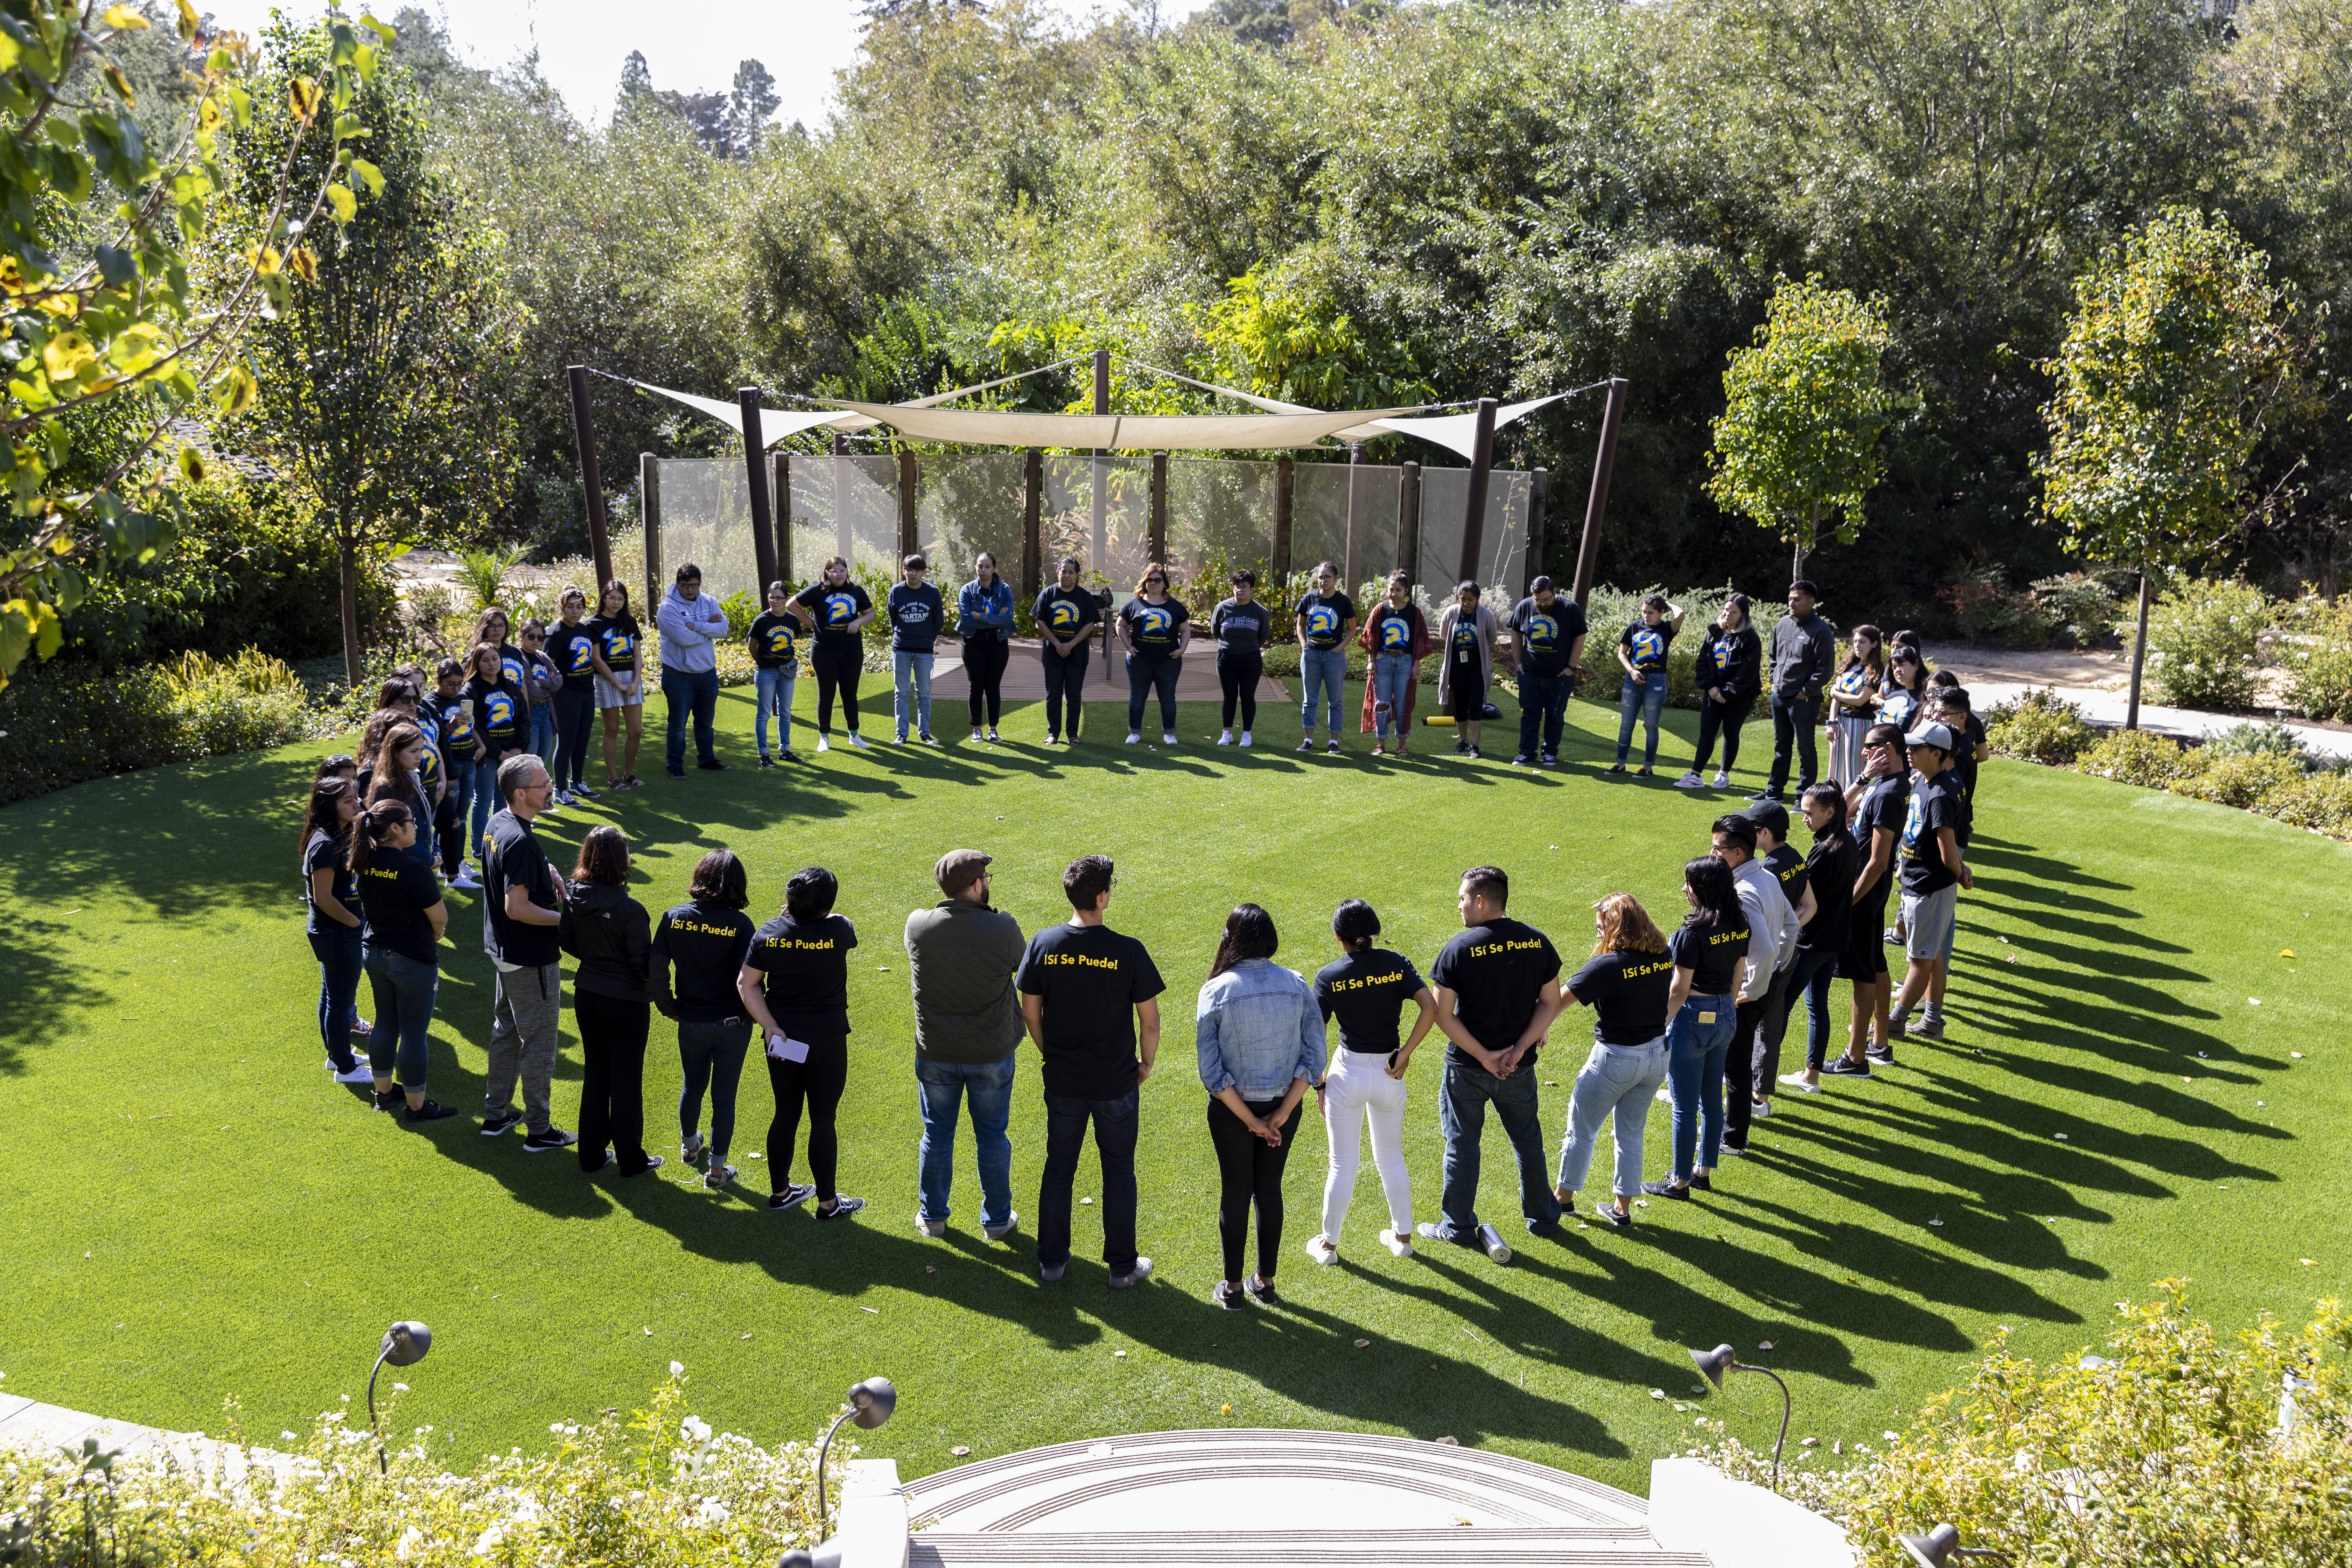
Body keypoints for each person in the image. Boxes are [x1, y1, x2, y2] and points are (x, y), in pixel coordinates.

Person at [1017, 854, 1164, 1288]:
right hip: (1116, 1081)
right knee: (1119, 1170)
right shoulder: (1128, 950)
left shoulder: (1043, 943)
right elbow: (1150, 1022)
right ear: (1101, 897)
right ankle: (1122, 1268)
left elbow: (1030, 1014)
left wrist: (1052, 1052)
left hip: (1064, 1078)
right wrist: (1147, 1064)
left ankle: (1052, 1263)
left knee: (1059, 1166)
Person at [1419, 866, 1567, 1259]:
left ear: (1481, 901)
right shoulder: (1537, 942)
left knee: (1462, 1144)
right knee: (1528, 1140)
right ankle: (1543, 1218)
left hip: (1468, 1070)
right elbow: (1550, 1003)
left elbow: (1442, 1015)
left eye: (1463, 898)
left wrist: (1484, 1056)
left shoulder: (1457, 949)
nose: (1459, 905)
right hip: (1519, 1067)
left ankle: (1458, 1227)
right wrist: (1519, 1049)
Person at [1195, 904, 1324, 1308]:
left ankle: (1233, 1289)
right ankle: (1265, 1282)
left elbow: (1212, 1073)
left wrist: (1251, 1120)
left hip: (1233, 1113)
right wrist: (1281, 1114)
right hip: (1285, 1106)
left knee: (1235, 1192)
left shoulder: (1216, 990)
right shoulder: (1296, 983)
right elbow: (1315, 1057)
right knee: (1269, 1190)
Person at [905, 848, 1026, 1240]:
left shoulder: (918, 925)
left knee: (936, 1134)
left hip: (936, 1052)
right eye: (986, 880)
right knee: (992, 1136)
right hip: (991, 1054)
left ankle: (934, 1217)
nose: (988, 885)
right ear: (976, 885)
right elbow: (1022, 969)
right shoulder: (1003, 927)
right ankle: (996, 1220)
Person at [1307, 899, 1434, 1264]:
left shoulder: (1329, 976)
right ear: (1374, 932)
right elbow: (1431, 1007)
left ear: (1338, 938)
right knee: (1392, 1158)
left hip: (1346, 1076)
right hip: (1390, 1073)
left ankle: (1328, 1246)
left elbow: (1314, 1036)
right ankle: (1403, 1238)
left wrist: (1319, 1086)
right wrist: (1406, 1052)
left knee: (1342, 1164)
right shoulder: (1397, 964)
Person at [738, 866, 866, 1218]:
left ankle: (781, 1193)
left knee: (786, 1112)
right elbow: (845, 921)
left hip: (782, 1040)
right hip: (827, 1039)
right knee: (823, 1118)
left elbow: (746, 984)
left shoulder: (768, 932)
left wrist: (768, 1025)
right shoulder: (838, 930)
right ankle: (828, 1203)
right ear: (825, 907)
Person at [1551, 893, 1675, 1228]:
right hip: (1657, 1056)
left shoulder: (1608, 966)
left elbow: (1555, 1003)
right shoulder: (1664, 953)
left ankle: (1563, 1200)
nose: (1597, 935)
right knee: (1632, 1133)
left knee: (1581, 1131)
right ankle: (1622, 1209)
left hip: (1616, 1059)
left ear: (1617, 929)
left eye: (1600, 929)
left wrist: (1536, 1032)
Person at [479, 753, 577, 1152]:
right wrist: (567, 922)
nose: (551, 787)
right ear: (521, 793)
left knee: (506, 1031)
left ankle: (496, 1114)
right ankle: (539, 1130)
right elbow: (517, 907)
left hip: (501, 949)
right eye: (543, 785)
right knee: (538, 1041)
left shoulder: (499, 822)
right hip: (528, 957)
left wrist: (547, 867)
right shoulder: (519, 840)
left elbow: (516, 865)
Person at [1641, 856, 1750, 1201]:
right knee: (1711, 1101)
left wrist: (1660, 1026)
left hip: (1693, 1017)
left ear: (1704, 888)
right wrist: (1725, 1011)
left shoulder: (1692, 934)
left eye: (1689, 883)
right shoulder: (1740, 922)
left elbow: (1678, 990)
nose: (1684, 889)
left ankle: (1679, 1182)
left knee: (1685, 1106)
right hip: (1726, 1015)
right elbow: (1738, 975)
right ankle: (1702, 1172)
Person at [652, 849, 759, 1189]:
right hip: (732, 1025)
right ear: (737, 885)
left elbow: (655, 971)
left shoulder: (674, 917)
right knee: (724, 1097)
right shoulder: (741, 925)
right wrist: (753, 1017)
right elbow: (753, 980)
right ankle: (716, 1171)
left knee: (692, 1086)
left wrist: (668, 1007)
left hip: (691, 1021)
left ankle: (688, 1145)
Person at [560, 824, 663, 1178]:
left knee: (597, 1075)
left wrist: (595, 959)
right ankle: (631, 1161)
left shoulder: (573, 895)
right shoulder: (631, 909)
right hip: (626, 1003)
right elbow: (641, 964)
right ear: (621, 860)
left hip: (587, 995)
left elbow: (566, 940)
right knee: (626, 1080)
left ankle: (591, 1156)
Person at [351, 800, 457, 1121]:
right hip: (411, 959)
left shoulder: (363, 862)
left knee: (385, 1023)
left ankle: (384, 1095)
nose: (415, 826)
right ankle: (417, 1107)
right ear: (395, 829)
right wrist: (437, 932)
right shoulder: (413, 869)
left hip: (375, 955)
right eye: (411, 821)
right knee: (413, 1034)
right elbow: (440, 917)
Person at [1713, 814, 1797, 1158]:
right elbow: (1791, 926)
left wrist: (1752, 987)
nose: (1712, 853)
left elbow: (1763, 946)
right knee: (1738, 1063)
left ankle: (1733, 1139)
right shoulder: (1766, 876)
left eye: (1717, 848)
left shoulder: (1743, 892)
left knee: (1736, 1066)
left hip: (1752, 991)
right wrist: (1777, 970)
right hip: (1770, 981)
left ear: (1736, 854)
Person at [1832, 722, 1910, 1074]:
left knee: (1862, 972)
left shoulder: (1890, 792)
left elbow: (1879, 861)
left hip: (1864, 893)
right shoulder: (1883, 784)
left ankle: (1855, 1057)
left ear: (1888, 749)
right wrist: (1863, 778)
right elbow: (1835, 812)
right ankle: (1879, 1043)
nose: (1864, 751)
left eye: (1870, 746)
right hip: (1870, 893)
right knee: (1875, 962)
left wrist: (1847, 900)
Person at [1887, 720, 1972, 1041]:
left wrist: (1959, 871)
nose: (1908, 752)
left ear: (1936, 753)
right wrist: (1904, 861)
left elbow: (1947, 850)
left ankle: (1896, 1022)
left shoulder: (1940, 793)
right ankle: (1933, 1021)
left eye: (1916, 748)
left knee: (1920, 959)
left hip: (1928, 886)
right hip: (1917, 879)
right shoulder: (1927, 779)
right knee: (1931, 951)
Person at [1777, 783, 1860, 1093]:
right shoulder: (1847, 842)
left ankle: (1759, 1077)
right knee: (1818, 1006)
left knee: (1780, 1007)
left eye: (1809, 813)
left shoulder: (1825, 850)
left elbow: (1804, 897)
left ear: (1830, 812)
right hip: (1835, 940)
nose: (1803, 818)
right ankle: (1811, 1077)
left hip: (1812, 943)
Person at [1739, 800, 1818, 1123]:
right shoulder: (1797, 858)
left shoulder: (1765, 870)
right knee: (1771, 1032)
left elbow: (1768, 923)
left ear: (1765, 833)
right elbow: (1810, 906)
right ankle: (1762, 1099)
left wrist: (1773, 949)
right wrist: (1787, 942)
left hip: (1765, 962)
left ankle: (1734, 1093)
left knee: (1741, 1032)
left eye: (1751, 830)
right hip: (1787, 959)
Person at [299, 776, 375, 1085]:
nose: (356, 803)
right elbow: (324, 898)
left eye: (356, 797)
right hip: (338, 931)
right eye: (348, 801)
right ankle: (345, 1068)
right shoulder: (324, 845)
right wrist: (356, 923)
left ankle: (336, 1056)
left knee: (333, 995)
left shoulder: (341, 834)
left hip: (340, 930)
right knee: (340, 1002)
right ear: (329, 807)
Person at [1760, 579, 1836, 803]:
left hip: (1803, 700)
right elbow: (1774, 657)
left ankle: (1804, 797)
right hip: (1779, 696)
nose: (1791, 603)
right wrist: (1774, 681)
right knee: (1781, 746)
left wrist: (1806, 691)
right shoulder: (1783, 623)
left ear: (1811, 602)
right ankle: (1774, 792)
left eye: (1797, 599)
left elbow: (1825, 669)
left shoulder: (1821, 630)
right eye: (1790, 599)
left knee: (1805, 749)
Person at [792, 556, 876, 752]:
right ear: (827, 573)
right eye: (835, 571)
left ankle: (854, 736)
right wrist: (811, 623)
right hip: (824, 651)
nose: (839, 574)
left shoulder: (856, 591)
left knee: (850, 694)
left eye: (842, 570)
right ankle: (824, 737)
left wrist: (858, 622)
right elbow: (792, 605)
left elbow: (871, 614)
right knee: (826, 694)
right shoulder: (817, 590)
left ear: (847, 571)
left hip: (852, 651)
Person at [655, 561, 731, 779]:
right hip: (679, 675)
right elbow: (683, 639)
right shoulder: (668, 608)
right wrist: (710, 628)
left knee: (706, 723)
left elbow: (724, 629)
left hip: (707, 672)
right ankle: (675, 766)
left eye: (694, 585)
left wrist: (697, 625)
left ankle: (707, 760)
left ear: (700, 584)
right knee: (678, 725)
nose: (690, 589)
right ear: (678, 584)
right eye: (685, 585)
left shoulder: (709, 601)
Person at [1678, 594, 1762, 789]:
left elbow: (1748, 671)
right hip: (1713, 692)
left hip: (1739, 696)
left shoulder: (1750, 638)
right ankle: (1695, 776)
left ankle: (1723, 775)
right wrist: (1711, 688)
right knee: (1707, 732)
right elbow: (1703, 663)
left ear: (1743, 615)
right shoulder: (1714, 632)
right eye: (1726, 610)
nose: (1728, 614)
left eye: (1734, 612)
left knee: (1730, 733)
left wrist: (1727, 693)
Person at [1509, 575, 1588, 767]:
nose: (1542, 604)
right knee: (1529, 714)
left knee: (1555, 716)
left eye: (1546, 599)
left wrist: (1571, 667)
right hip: (1530, 674)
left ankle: (1550, 753)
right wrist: (1518, 663)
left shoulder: (1570, 609)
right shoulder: (1525, 606)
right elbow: (1516, 633)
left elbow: (1580, 637)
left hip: (1559, 676)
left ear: (1555, 593)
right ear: (1532, 595)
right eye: (1538, 600)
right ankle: (1527, 753)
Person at [462, 643, 531, 854]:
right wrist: (499, 753)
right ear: (477, 662)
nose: (492, 664)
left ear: (501, 661)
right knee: (483, 801)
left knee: (505, 799)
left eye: (495, 659)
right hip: (487, 755)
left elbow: (524, 719)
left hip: (512, 753)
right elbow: (471, 725)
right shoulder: (470, 689)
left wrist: (519, 748)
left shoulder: (511, 685)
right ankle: (480, 848)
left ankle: (500, 843)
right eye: (485, 660)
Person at [1610, 593, 1684, 775]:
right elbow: (1622, 654)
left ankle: (1647, 768)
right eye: (1644, 612)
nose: (1646, 616)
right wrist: (1632, 671)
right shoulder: (1634, 627)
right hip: (1632, 681)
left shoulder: (1667, 629)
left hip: (1656, 683)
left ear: (1661, 613)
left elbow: (1681, 615)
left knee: (1651, 726)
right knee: (1626, 725)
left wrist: (1668, 604)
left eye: (1651, 612)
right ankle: (1620, 764)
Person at [1359, 571, 1431, 757]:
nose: (1394, 593)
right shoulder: (1380, 610)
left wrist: (1417, 664)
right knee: (1382, 704)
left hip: (1405, 662)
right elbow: (1371, 637)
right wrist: (1371, 661)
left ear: (1406, 591)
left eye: (1399, 590)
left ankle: (1401, 745)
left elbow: (1421, 639)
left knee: (1402, 705)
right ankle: (1381, 744)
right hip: (1382, 661)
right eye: (1391, 589)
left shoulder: (1414, 612)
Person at [1117, 564, 1190, 745]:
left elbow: (1186, 630)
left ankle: (1169, 734)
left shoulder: (1175, 606)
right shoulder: (1134, 603)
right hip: (1139, 662)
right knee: (1137, 697)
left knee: (1167, 698)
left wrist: (1182, 649)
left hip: (1169, 662)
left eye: (1158, 580)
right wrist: (1129, 647)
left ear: (1165, 583)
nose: (1154, 583)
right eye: (1150, 580)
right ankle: (1134, 733)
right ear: (1145, 582)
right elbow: (1120, 625)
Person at [585, 579, 647, 790]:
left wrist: (636, 681)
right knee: (612, 730)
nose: (616, 602)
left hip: (632, 680)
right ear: (604, 598)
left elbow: (637, 654)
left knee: (636, 730)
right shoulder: (593, 624)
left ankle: (629, 773)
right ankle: (613, 777)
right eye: (612, 598)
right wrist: (617, 683)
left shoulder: (630, 622)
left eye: (621, 599)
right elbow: (596, 658)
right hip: (607, 680)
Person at [1034, 556, 1099, 746]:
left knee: (1074, 696)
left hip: (1077, 656)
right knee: (1053, 696)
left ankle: (1073, 735)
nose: (1067, 575)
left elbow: (1089, 625)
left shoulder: (1085, 596)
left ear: (1077, 575)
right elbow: (1040, 623)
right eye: (1064, 571)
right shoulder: (1047, 594)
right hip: (1052, 655)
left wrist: (1070, 645)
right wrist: (1057, 644)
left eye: (1071, 572)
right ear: (1058, 572)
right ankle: (1053, 734)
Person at [1295, 561, 1356, 754]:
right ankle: (1308, 740)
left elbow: (1352, 629)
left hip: (1333, 657)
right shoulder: (1309, 599)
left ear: (1336, 579)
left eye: (1327, 577)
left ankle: (1334, 741)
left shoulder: (1343, 602)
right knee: (1309, 700)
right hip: (1311, 655)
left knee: (1335, 700)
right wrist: (1304, 645)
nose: (1323, 581)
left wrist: (1338, 649)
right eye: (1320, 577)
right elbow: (1300, 625)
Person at [429, 658, 482, 886]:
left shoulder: (464, 698)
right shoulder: (430, 703)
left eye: (460, 683)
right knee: (449, 820)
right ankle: (446, 865)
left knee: (461, 817)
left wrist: (481, 746)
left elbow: (471, 727)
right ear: (438, 680)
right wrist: (449, 725)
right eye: (451, 684)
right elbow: (433, 739)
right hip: (449, 767)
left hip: (469, 762)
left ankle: (457, 862)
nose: (457, 689)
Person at [546, 589, 601, 804]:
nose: (575, 611)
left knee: (583, 740)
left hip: (587, 691)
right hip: (566, 693)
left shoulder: (585, 629)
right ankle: (560, 789)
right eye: (570, 607)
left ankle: (577, 782)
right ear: (561, 607)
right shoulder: (556, 633)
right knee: (567, 741)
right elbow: (547, 665)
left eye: (579, 607)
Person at [1435, 582, 1499, 758]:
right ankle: (1463, 742)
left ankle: (1475, 746)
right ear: (1459, 598)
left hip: (1476, 668)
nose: (1466, 603)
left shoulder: (1486, 615)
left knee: (1476, 706)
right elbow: (1444, 635)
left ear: (1478, 599)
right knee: (1461, 706)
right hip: (1457, 667)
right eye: (1463, 599)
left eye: (1470, 600)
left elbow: (1492, 638)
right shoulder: (1451, 613)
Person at [887, 553, 946, 744]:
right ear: (904, 571)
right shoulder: (896, 592)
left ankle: (925, 733)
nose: (913, 574)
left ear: (924, 572)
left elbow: (939, 621)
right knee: (902, 692)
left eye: (917, 571)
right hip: (901, 649)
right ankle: (902, 733)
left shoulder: (932, 592)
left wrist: (927, 638)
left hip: (924, 650)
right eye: (909, 570)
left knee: (924, 693)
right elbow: (893, 618)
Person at [1211, 568, 1273, 747]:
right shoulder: (1222, 608)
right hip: (1226, 660)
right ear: (1233, 588)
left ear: (1252, 589)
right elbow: (1216, 631)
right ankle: (1227, 733)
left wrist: (1249, 647)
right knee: (1229, 696)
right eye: (1237, 586)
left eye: (1245, 587)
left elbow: (1264, 635)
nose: (1241, 590)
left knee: (1247, 697)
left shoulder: (1260, 611)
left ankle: (1247, 733)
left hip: (1251, 661)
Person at [959, 552, 1015, 743]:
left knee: (993, 687)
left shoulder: (1004, 590)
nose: (983, 571)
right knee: (976, 687)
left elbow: (1008, 619)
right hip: (973, 642)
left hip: (998, 642)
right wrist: (995, 619)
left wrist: (980, 616)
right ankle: (977, 730)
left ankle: (993, 730)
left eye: (988, 567)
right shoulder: (967, 590)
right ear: (975, 568)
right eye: (980, 566)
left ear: (994, 569)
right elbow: (966, 620)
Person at [745, 580, 803, 767]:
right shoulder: (762, 620)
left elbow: (793, 641)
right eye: (772, 598)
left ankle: (785, 751)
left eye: (779, 598)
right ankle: (764, 754)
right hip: (766, 673)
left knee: (785, 713)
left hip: (787, 672)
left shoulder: (792, 619)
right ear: (768, 598)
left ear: (786, 599)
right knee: (764, 714)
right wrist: (762, 663)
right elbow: (752, 646)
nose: (775, 601)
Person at [366, 722, 437, 873]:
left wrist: (435, 848)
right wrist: (429, 859)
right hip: (402, 867)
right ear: (395, 752)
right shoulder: (387, 787)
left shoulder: (410, 777)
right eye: (413, 751)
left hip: (418, 860)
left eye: (421, 750)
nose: (420, 756)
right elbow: (395, 836)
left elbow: (423, 822)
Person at [1824, 624, 1884, 785]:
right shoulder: (1849, 665)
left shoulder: (1877, 671)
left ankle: (1855, 808)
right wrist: (1832, 722)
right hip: (1840, 724)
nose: (1857, 646)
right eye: (1855, 642)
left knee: (1855, 770)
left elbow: (1860, 700)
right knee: (1836, 769)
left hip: (1860, 725)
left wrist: (1834, 693)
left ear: (1874, 644)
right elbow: (1837, 700)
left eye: (1863, 642)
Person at [519, 619, 564, 791]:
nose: (536, 641)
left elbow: (559, 681)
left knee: (541, 763)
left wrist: (541, 683)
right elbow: (532, 691)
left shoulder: (542, 656)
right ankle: (523, 805)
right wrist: (548, 684)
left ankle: (537, 802)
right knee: (529, 765)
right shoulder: (520, 658)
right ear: (522, 636)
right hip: (532, 713)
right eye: (531, 636)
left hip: (546, 713)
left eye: (540, 637)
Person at [1879, 646, 1930, 734]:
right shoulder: (1893, 692)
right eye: (1894, 667)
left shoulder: (1925, 696)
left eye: (1902, 665)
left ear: (1916, 666)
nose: (1897, 670)